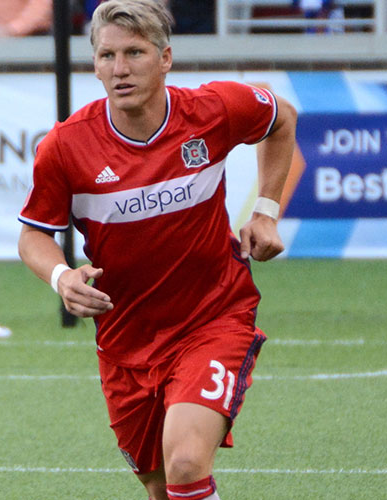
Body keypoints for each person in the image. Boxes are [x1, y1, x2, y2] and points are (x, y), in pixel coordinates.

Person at [16, 1, 297, 499]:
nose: (119, 69)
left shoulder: (212, 109)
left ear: (165, 58)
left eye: (134, 53)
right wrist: (63, 277)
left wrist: (266, 210)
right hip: (124, 340)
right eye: (107, 56)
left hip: (213, 318)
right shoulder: (65, 146)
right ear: (94, 64)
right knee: (162, 488)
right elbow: (34, 234)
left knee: (186, 463)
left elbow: (281, 118)